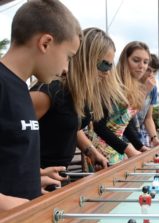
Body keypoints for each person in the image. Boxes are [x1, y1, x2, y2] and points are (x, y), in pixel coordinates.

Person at [0, 0, 81, 211]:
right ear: (45, 43)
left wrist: (30, 177)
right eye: (68, 57)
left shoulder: (21, 90)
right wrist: (7, 203)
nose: (66, 69)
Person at [30, 27, 124, 171]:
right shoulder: (51, 91)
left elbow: (69, 125)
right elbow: (10, 131)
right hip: (35, 183)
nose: (107, 72)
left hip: (57, 178)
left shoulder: (80, 94)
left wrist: (91, 151)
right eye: (104, 65)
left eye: (111, 66)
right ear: (85, 60)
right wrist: (33, 175)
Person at [88, 41, 151, 165]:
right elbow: (99, 126)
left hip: (119, 148)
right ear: (125, 60)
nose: (141, 66)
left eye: (145, 62)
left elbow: (124, 123)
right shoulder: (111, 83)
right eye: (136, 60)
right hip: (102, 150)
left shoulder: (134, 86)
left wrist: (139, 146)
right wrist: (128, 149)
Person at [136, 53, 159, 147]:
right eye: (148, 70)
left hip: (140, 131)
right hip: (124, 133)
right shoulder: (132, 85)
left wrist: (154, 138)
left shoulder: (153, 89)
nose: (151, 74)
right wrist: (145, 90)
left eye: (154, 71)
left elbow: (148, 118)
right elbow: (128, 114)